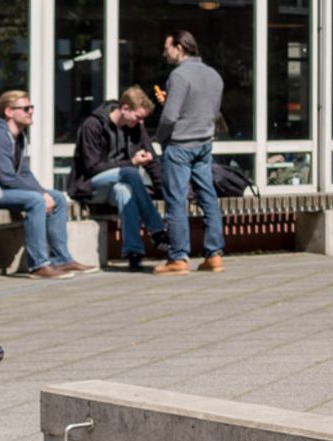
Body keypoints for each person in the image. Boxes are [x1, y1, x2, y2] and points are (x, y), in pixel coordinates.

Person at [0, 90, 87, 279]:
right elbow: (7, 177)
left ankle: (62, 258)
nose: (30, 112)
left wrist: (44, 192)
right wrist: (40, 195)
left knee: (58, 198)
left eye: (31, 108)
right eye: (26, 108)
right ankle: (38, 265)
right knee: (36, 201)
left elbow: (24, 173)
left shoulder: (18, 137)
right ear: (9, 112)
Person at [70, 86, 168, 272]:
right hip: (91, 186)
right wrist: (130, 162)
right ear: (124, 109)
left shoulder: (136, 127)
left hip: (117, 186)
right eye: (138, 117)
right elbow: (91, 167)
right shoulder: (93, 125)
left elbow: (152, 160)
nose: (141, 121)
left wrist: (163, 191)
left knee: (125, 191)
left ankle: (133, 253)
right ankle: (157, 230)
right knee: (130, 172)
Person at [153, 31, 226, 275]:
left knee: (176, 201)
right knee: (208, 198)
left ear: (180, 48)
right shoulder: (214, 75)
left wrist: (161, 138)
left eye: (167, 47)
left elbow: (171, 116)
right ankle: (214, 255)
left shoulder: (179, 75)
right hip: (204, 145)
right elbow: (212, 112)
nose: (165, 53)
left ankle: (178, 258)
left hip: (180, 146)